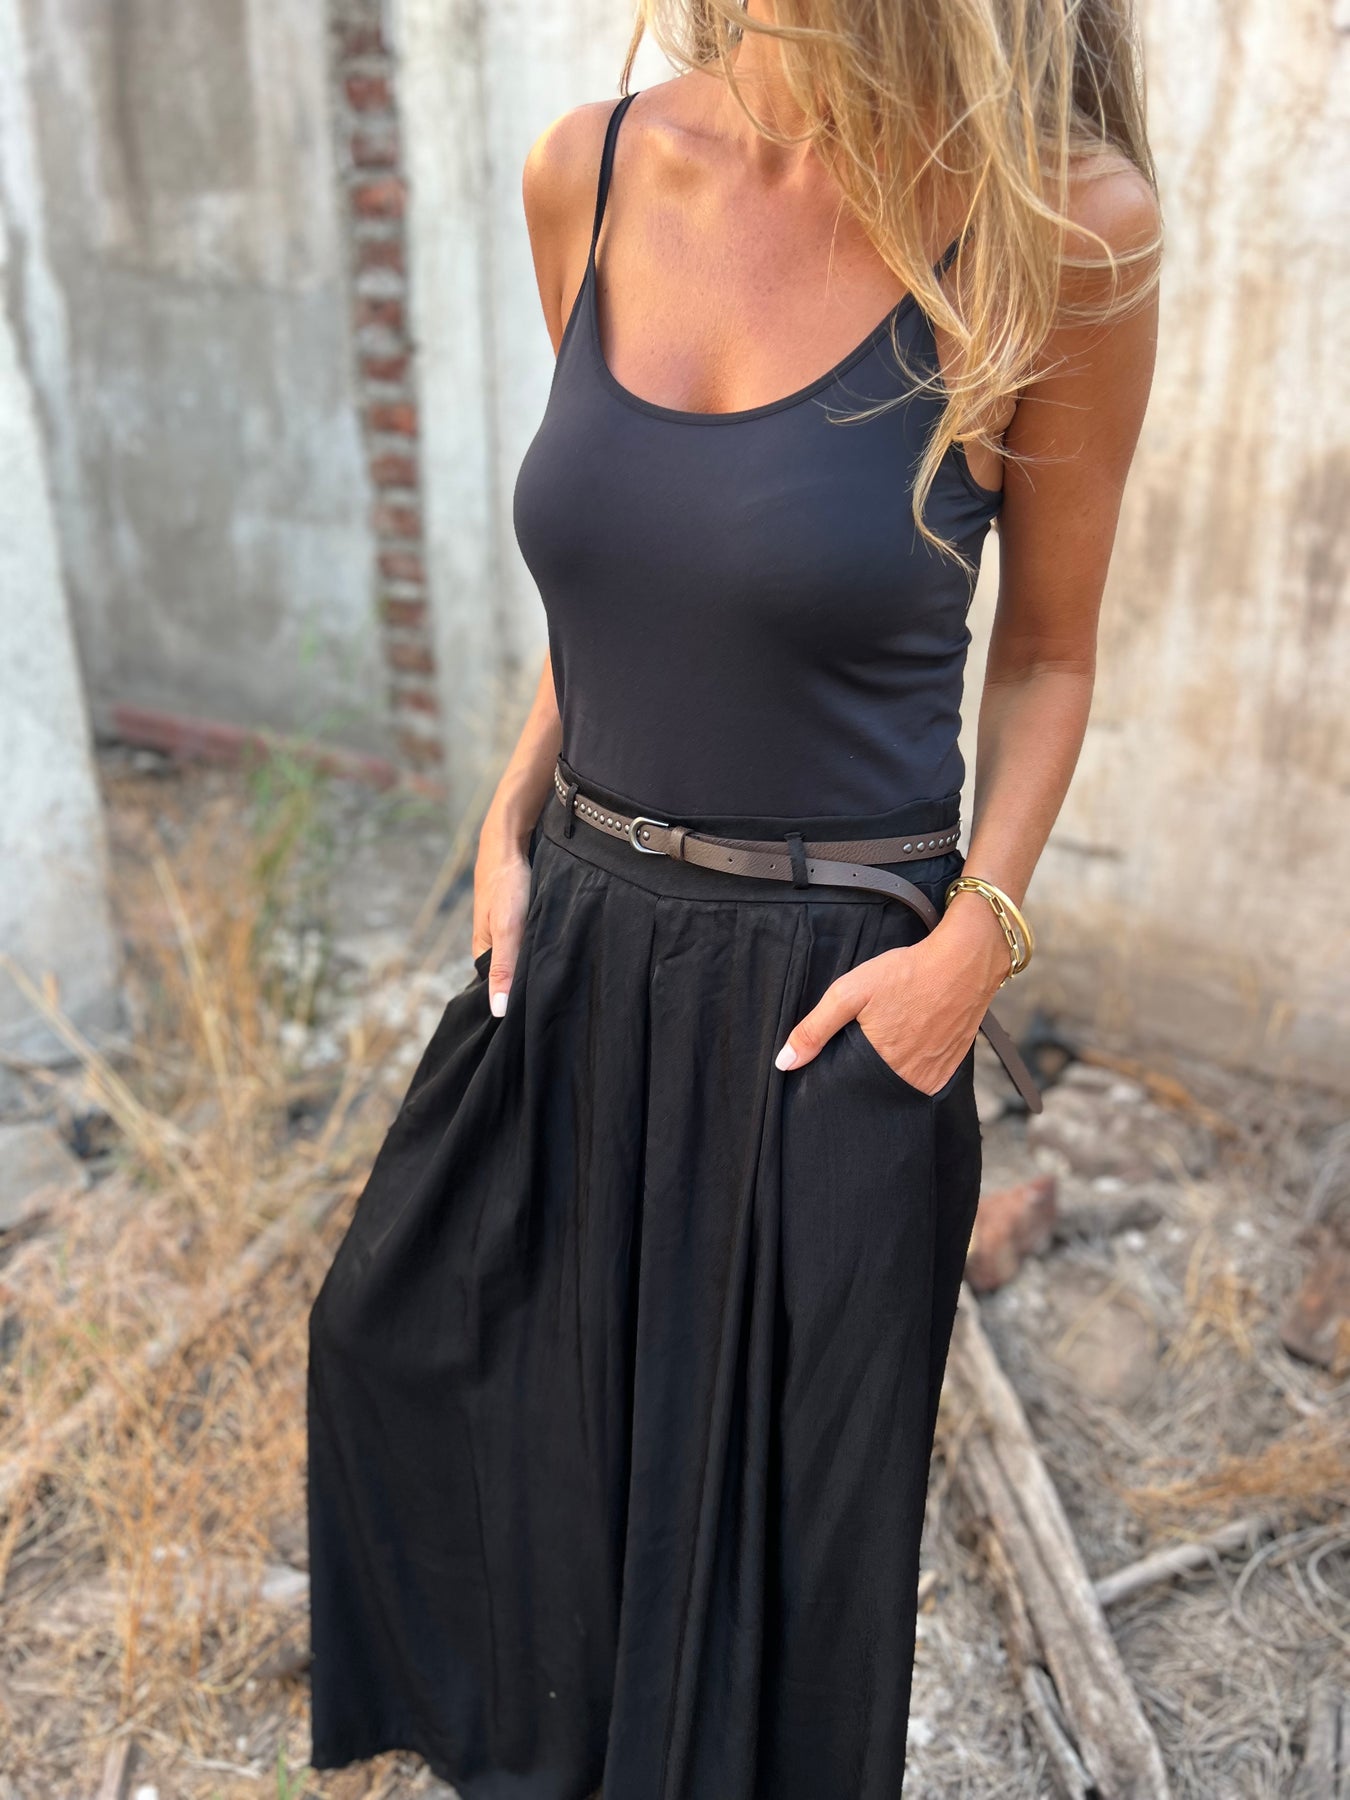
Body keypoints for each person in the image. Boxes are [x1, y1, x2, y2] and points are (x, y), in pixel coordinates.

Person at [305, 2, 1162, 1794]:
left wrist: (973, 949)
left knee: (774, 1591)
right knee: (464, 1419)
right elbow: (623, 578)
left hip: (832, 1001)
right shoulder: (590, 166)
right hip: (577, 943)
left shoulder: (1057, 227)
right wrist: (509, 814)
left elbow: (1049, 656)